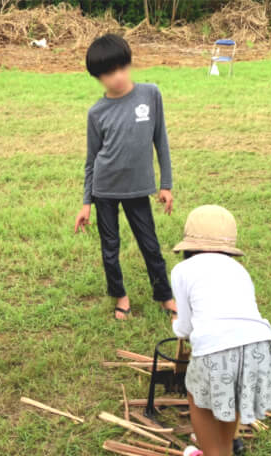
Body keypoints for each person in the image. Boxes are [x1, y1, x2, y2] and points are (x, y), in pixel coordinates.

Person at [170, 205, 271, 456]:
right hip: (259, 342)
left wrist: (176, 325)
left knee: (199, 400)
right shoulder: (239, 270)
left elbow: (185, 327)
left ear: (188, 245)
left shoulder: (182, 270)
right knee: (236, 393)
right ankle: (226, 452)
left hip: (214, 346)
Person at [74, 33, 178, 321]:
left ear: (129, 64)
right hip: (105, 190)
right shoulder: (96, 113)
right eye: (108, 73)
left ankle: (164, 296)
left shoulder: (150, 94)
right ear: (98, 77)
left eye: (121, 67)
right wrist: (86, 202)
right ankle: (120, 296)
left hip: (138, 190)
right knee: (110, 249)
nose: (117, 77)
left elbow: (162, 141)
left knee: (151, 246)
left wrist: (166, 184)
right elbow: (92, 160)